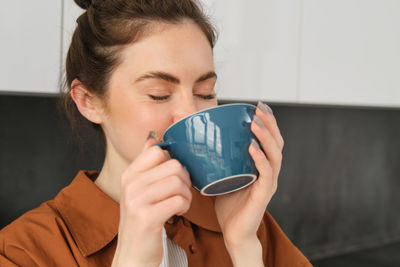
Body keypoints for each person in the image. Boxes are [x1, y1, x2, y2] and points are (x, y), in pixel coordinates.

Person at [0, 0, 312, 266]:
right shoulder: (22, 252)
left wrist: (244, 248)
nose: (193, 114)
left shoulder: (248, 225)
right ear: (88, 101)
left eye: (205, 92)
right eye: (159, 94)